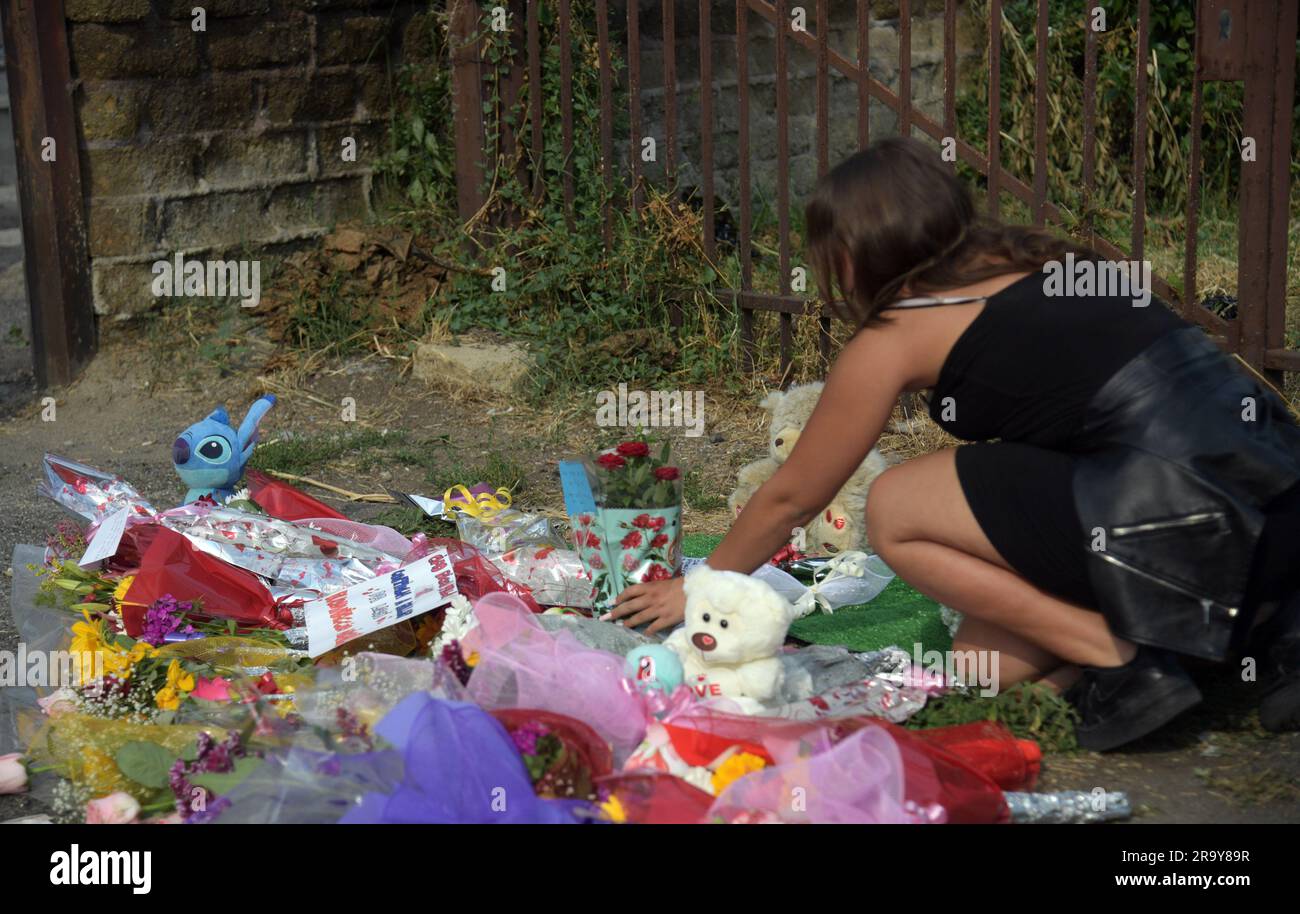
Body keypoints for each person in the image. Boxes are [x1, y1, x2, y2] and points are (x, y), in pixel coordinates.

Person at [610, 136, 1300, 751]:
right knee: (985, 667)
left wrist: (701, 588)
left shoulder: (898, 332)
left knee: (895, 506)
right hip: (1272, 508)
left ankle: (1129, 661)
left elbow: (794, 493)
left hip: (1183, 516)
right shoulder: (1036, 259)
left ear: (846, 259)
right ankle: (1229, 638)